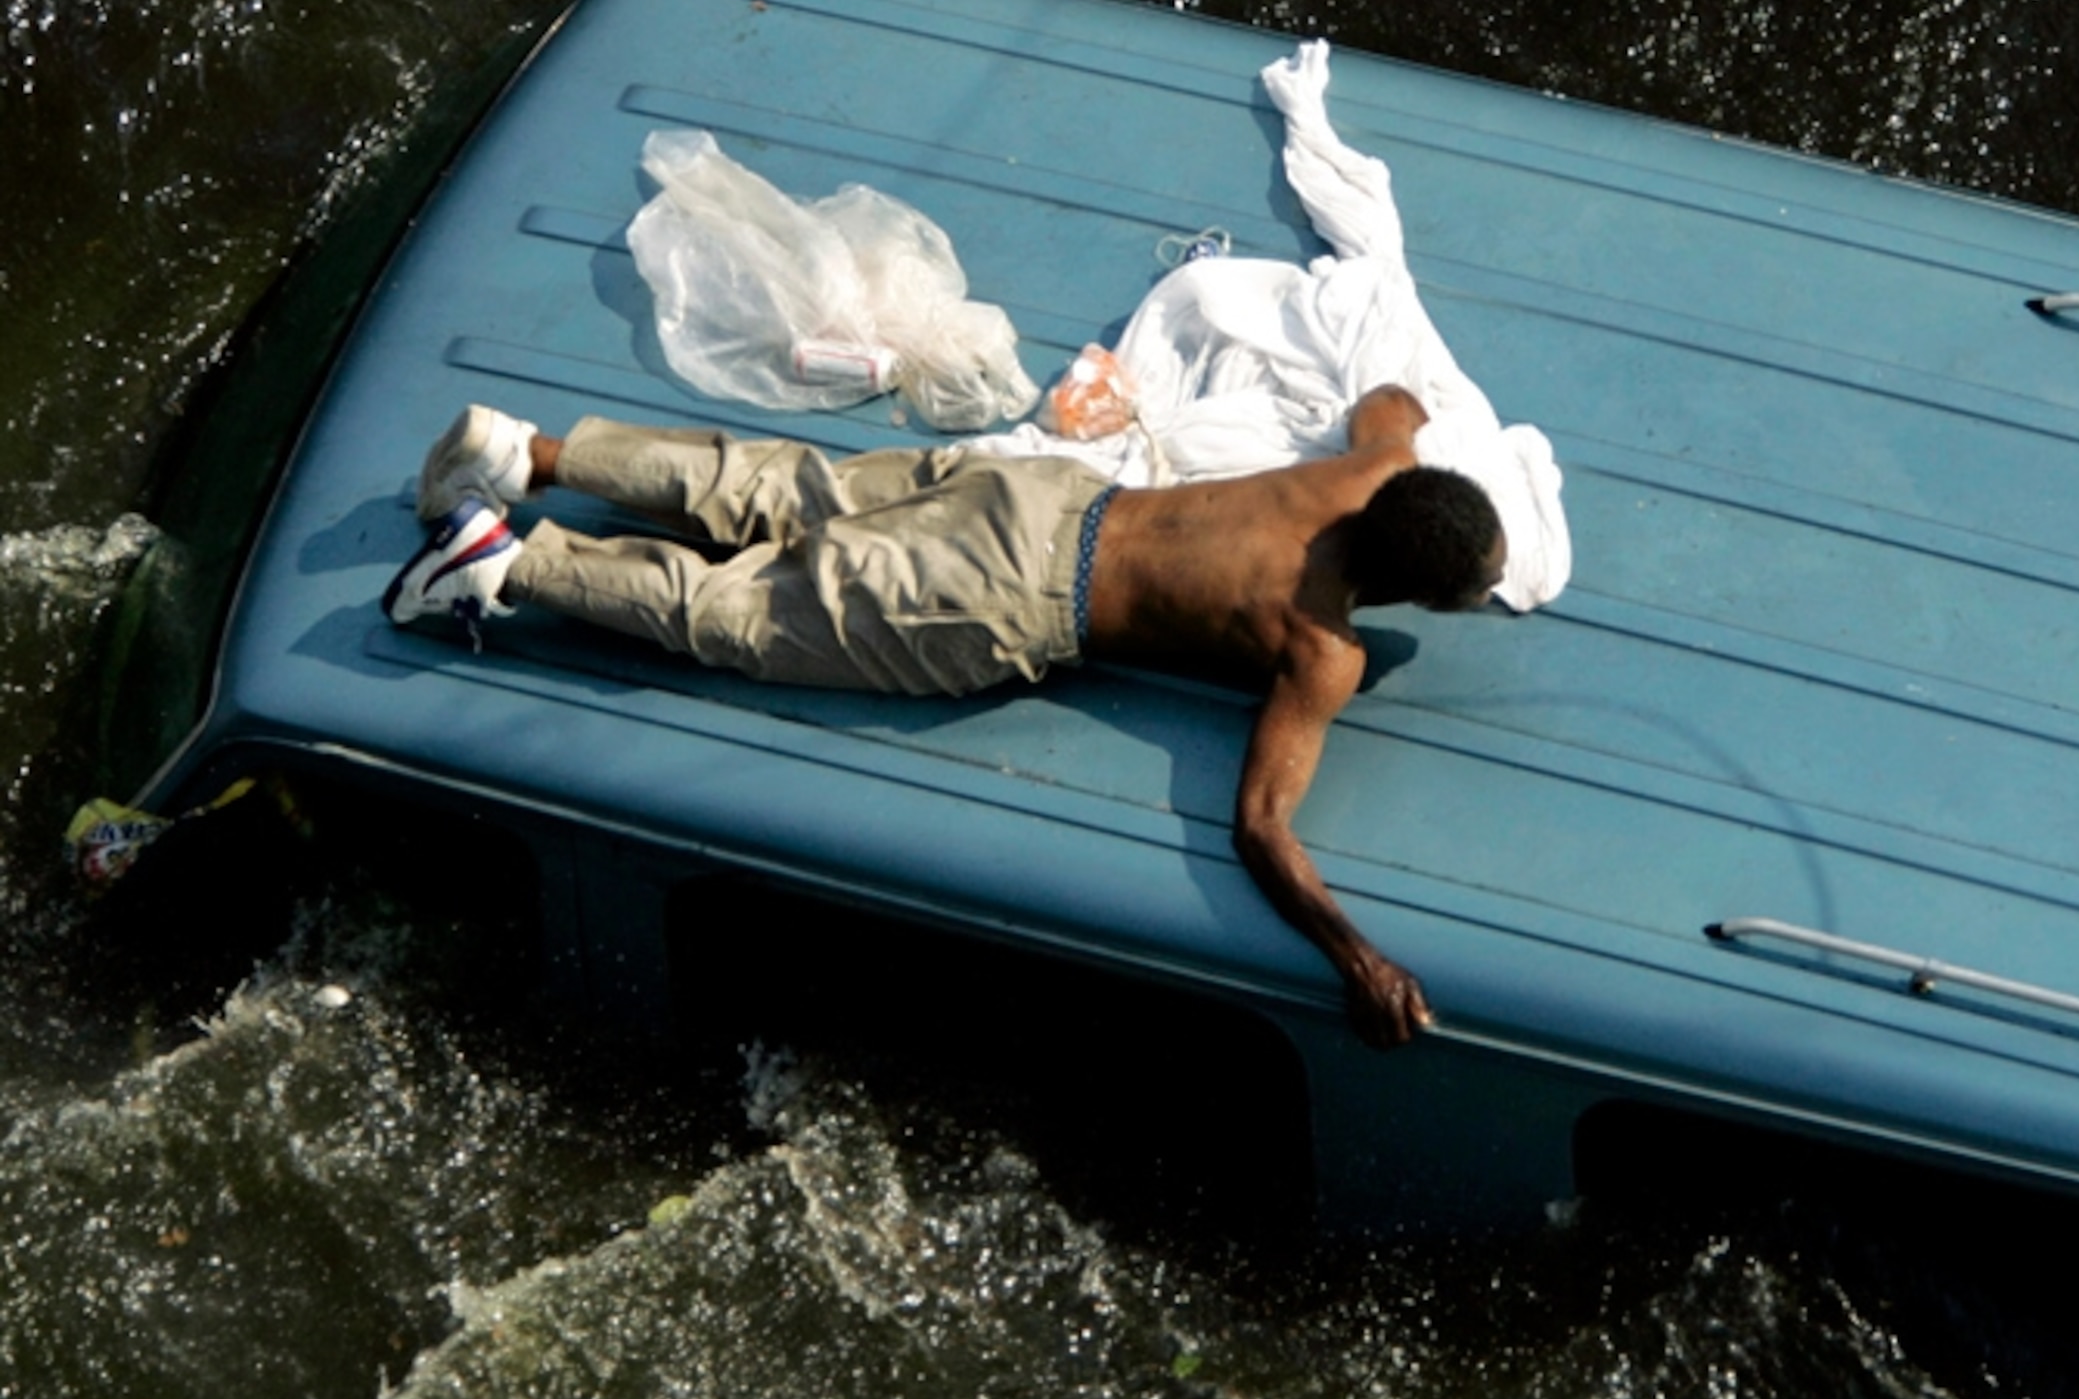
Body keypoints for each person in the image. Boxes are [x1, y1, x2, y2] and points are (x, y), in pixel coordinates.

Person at [381, 389, 1503, 1047]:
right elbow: (1262, 827)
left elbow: (1392, 398)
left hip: (1039, 494)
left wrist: (1425, 430)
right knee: (752, 614)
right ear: (1409, 591)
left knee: (791, 485)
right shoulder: (1321, 648)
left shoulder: (1372, 471)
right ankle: (508, 565)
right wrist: (1357, 956)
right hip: (1000, 600)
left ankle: (529, 454)